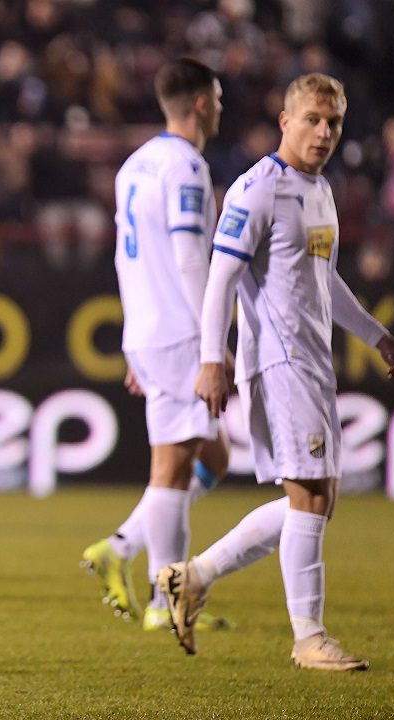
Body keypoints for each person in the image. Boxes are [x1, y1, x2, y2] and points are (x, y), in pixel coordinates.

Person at [160, 73, 394, 669]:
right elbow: (221, 276)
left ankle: (193, 576)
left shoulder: (319, 189)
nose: (323, 133)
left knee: (317, 501)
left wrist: (377, 337)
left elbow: (325, 278)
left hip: (312, 361)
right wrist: (211, 359)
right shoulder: (259, 188)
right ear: (285, 121)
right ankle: (309, 637)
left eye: (333, 123)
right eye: (312, 120)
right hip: (279, 362)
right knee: (309, 495)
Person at [81, 58, 234, 633]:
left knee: (213, 457)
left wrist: (133, 337)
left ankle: (123, 548)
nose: (220, 108)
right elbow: (191, 258)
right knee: (172, 469)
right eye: (217, 98)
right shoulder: (186, 167)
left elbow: (128, 258)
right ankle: (163, 601)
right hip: (179, 331)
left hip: (150, 328)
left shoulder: (135, 165)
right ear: (201, 103)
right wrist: (213, 342)